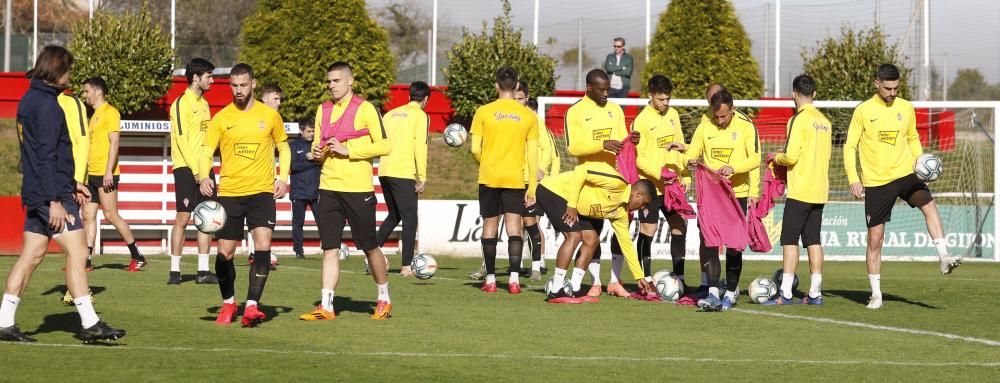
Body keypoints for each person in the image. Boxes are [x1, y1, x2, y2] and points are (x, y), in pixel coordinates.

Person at [0, 46, 125, 343]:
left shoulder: (29, 100)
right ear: (57, 72)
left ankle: (4, 323)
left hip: (38, 190)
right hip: (49, 196)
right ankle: (90, 323)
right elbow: (45, 155)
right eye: (68, 70)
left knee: (31, 255)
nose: (70, 76)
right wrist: (55, 199)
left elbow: (38, 155)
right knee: (79, 252)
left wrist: (70, 182)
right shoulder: (48, 106)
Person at [843, 64, 962, 310]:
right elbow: (849, 146)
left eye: (896, 88)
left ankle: (943, 257)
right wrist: (853, 177)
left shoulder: (906, 107)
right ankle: (876, 294)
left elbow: (913, 137)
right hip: (877, 182)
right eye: (887, 88)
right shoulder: (863, 111)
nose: (892, 92)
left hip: (906, 173)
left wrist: (920, 163)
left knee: (929, 204)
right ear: (876, 83)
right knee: (875, 240)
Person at [298, 62, 393, 321]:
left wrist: (349, 151)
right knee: (329, 247)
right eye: (329, 81)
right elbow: (319, 148)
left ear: (350, 81)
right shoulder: (322, 110)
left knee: (370, 247)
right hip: (328, 188)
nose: (331, 86)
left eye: (336, 81)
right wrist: (318, 154)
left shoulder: (366, 108)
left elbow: (385, 145)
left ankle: (383, 297)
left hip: (357, 189)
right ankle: (327, 306)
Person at [199, 63, 290, 327]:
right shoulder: (222, 118)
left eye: (243, 85)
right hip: (229, 194)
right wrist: (205, 175)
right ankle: (229, 304)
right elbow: (206, 150)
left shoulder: (270, 116)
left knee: (262, 247)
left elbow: (284, 148)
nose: (238, 90)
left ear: (253, 84)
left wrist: (283, 178)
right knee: (224, 253)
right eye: (234, 86)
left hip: (262, 193)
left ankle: (251, 306)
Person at [685, 89, 761, 312]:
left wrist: (734, 168)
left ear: (733, 110)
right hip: (711, 196)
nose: (719, 121)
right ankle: (712, 293)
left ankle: (730, 293)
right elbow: (691, 152)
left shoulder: (746, 127)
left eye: (724, 116)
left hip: (738, 194)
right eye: (716, 116)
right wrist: (688, 160)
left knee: (734, 247)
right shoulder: (704, 126)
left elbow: (755, 158)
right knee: (709, 243)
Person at [565, 69, 637, 297]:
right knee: (593, 234)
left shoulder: (615, 110)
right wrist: (602, 145)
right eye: (602, 89)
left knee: (620, 232)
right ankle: (595, 282)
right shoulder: (575, 111)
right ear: (589, 88)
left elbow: (622, 143)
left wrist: (631, 140)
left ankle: (615, 280)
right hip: (589, 182)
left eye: (608, 89)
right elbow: (573, 148)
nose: (607, 93)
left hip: (616, 181)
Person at [536, 167, 656, 303]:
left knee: (592, 239)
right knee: (574, 236)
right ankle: (556, 290)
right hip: (553, 190)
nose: (642, 208)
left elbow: (626, 244)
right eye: (644, 204)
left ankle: (573, 289)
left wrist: (639, 276)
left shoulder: (621, 213)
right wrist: (572, 204)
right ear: (638, 195)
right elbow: (581, 171)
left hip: (572, 203)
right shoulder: (616, 182)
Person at [760, 75, 831, 306]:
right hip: (820, 190)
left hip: (800, 189)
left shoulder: (798, 120)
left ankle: (786, 294)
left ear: (793, 94)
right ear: (815, 94)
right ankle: (815, 293)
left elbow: (791, 156)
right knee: (813, 240)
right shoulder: (824, 121)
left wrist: (775, 157)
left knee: (790, 239)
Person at [469, 66, 539, 295]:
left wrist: (486, 162)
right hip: (514, 179)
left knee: (489, 228)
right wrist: (532, 188)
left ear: (496, 85)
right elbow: (533, 155)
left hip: (489, 177)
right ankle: (514, 280)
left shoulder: (483, 111)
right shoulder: (528, 115)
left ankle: (490, 280)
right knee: (514, 228)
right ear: (517, 84)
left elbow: (473, 149)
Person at [625, 75, 688, 295]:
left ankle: (680, 278)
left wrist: (685, 176)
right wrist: (659, 173)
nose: (665, 103)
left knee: (679, 227)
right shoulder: (641, 121)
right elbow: (638, 158)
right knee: (648, 231)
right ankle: (646, 281)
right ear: (650, 96)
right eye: (661, 99)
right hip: (650, 189)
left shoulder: (673, 115)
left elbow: (680, 149)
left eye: (668, 99)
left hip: (672, 188)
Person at [80, 77, 145, 272]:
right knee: (88, 214)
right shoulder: (94, 116)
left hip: (105, 173)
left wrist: (109, 171)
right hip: (91, 174)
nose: (85, 95)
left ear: (98, 92)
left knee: (110, 214)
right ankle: (86, 260)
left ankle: (137, 255)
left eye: (86, 91)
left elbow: (114, 143)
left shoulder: (111, 112)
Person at [167, 58, 219, 285]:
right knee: (183, 217)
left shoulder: (205, 104)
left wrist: (206, 169)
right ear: (196, 78)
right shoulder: (180, 104)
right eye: (209, 76)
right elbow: (180, 140)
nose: (212, 80)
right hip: (186, 169)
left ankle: (203, 271)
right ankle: (175, 272)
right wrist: (197, 173)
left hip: (205, 169)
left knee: (207, 217)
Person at [375, 81, 430, 277]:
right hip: (403, 172)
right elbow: (420, 146)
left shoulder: (390, 114)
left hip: (384, 170)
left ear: (409, 96)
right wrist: (421, 176)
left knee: (394, 215)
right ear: (425, 99)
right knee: (410, 220)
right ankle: (406, 266)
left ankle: (370, 253)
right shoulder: (421, 115)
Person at [515, 81, 559, 281]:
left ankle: (536, 266)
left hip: (530, 181)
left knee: (531, 223)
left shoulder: (534, 119)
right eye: (514, 98)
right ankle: (515, 268)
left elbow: (548, 148)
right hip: (510, 179)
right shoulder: (507, 119)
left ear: (526, 97)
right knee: (513, 226)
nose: (517, 102)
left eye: (520, 98)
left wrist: (541, 168)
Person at [259, 83, 284, 269]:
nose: (279, 103)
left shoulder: (276, 119)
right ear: (264, 98)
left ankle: (259, 255)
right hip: (242, 182)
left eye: (280, 99)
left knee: (265, 227)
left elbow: (284, 148)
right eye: (275, 98)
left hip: (266, 182)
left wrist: (282, 178)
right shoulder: (252, 115)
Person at [289, 118, 320, 259]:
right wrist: (313, 161)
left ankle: (329, 249)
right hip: (298, 192)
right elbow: (294, 166)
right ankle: (298, 251)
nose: (312, 134)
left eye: (313, 131)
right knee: (298, 223)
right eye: (309, 131)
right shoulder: (294, 146)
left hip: (316, 192)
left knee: (323, 222)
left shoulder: (317, 145)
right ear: (301, 131)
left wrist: (314, 159)